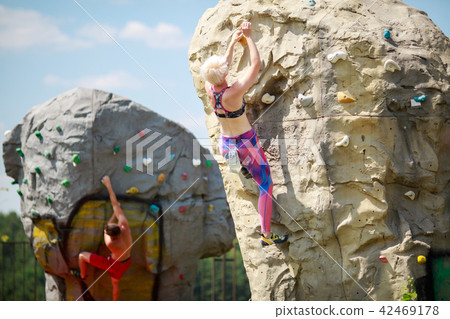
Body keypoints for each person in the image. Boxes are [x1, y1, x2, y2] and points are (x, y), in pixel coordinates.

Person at [200, 22, 288, 247]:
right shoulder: (234, 92)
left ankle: (242, 168)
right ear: (225, 73)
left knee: (240, 167)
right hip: (245, 144)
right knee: (266, 186)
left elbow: (222, 69)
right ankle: (266, 235)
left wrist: (231, 44)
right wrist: (248, 37)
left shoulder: (211, 90)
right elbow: (256, 65)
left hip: (225, 145)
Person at [71, 176, 133, 301]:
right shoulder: (124, 226)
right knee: (115, 283)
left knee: (82, 256)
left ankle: (82, 275)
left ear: (111, 236)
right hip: (126, 262)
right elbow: (115, 204)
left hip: (113, 265)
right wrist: (109, 186)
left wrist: (112, 215)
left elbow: (104, 229)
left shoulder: (110, 244)